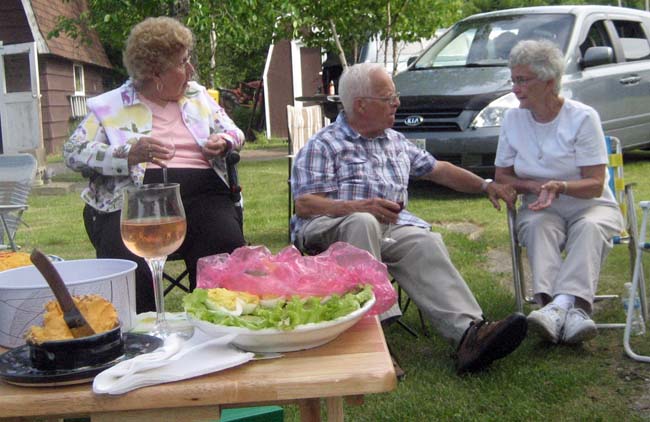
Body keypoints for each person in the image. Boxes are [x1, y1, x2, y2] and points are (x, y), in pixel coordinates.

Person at [291, 62, 527, 374]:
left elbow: (439, 170)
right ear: (361, 105)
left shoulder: (395, 141)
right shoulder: (324, 144)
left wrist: (485, 186)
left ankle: (469, 334)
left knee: (422, 241)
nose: (397, 103)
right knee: (362, 222)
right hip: (328, 229)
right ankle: (373, 338)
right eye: (388, 98)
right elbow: (305, 204)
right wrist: (359, 207)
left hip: (386, 227)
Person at [63, 17, 246, 313]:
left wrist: (223, 141)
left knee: (224, 245)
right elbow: (73, 152)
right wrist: (126, 154)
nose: (191, 69)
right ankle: (141, 329)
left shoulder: (197, 96)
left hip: (204, 196)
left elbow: (236, 133)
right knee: (125, 259)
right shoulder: (112, 105)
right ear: (154, 72)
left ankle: (220, 325)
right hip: (136, 199)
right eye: (182, 62)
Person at [495, 39, 623, 344]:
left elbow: (595, 184)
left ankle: (559, 307)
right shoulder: (513, 119)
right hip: (541, 205)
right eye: (513, 80)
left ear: (550, 82)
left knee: (590, 227)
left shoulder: (582, 117)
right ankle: (569, 312)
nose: (515, 88)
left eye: (522, 80)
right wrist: (533, 186)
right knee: (538, 226)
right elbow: (502, 175)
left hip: (590, 204)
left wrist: (560, 186)